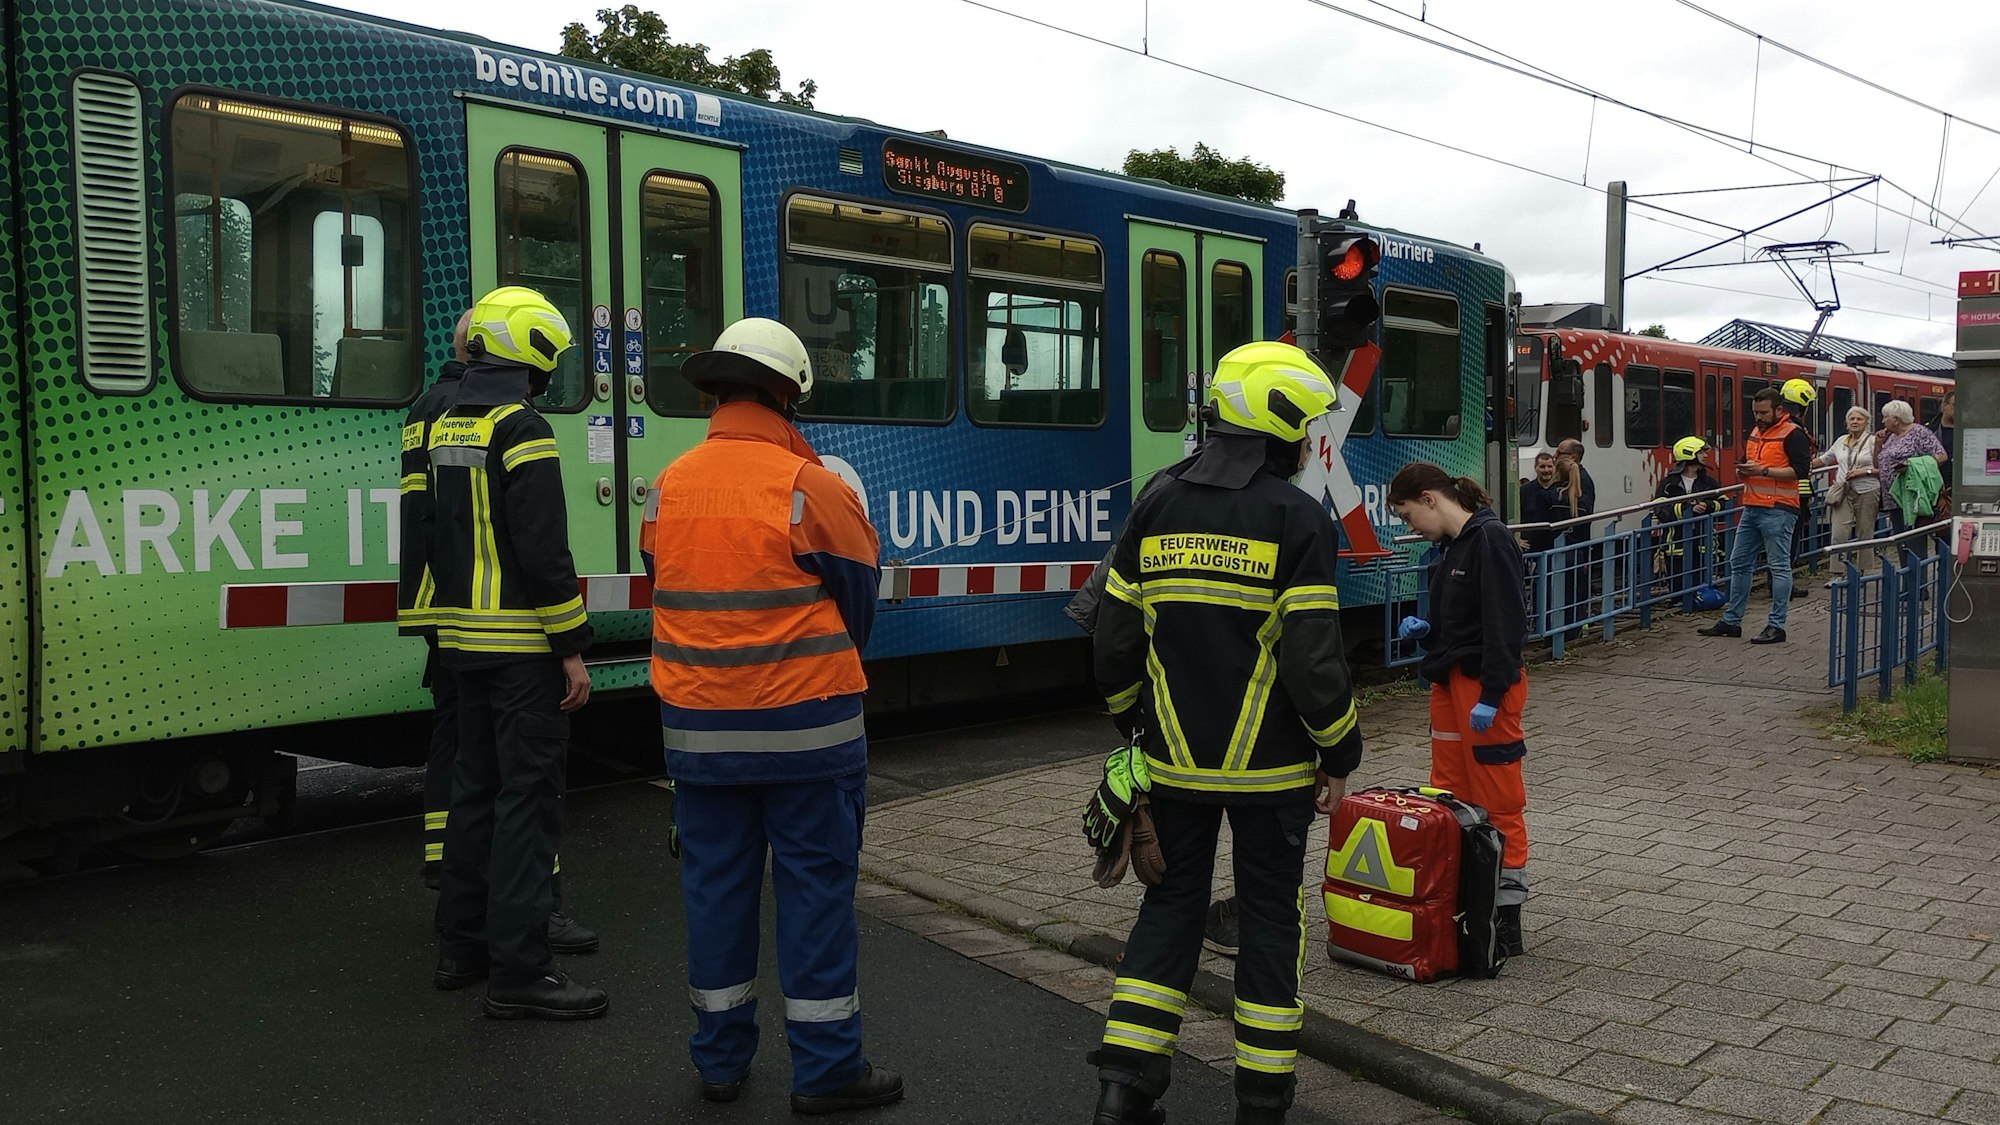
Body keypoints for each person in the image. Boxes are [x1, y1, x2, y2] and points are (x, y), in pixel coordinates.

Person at [1088, 341, 1364, 1125]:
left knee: (1168, 915)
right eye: (1308, 423)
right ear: (1279, 421)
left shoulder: (1157, 500)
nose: (1313, 439)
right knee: (1272, 923)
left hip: (1171, 768)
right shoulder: (1298, 519)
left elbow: (1112, 641)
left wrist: (1135, 724)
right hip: (1273, 777)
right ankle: (1261, 1102)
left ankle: (1123, 1093)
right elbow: (1315, 663)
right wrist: (1340, 750)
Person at [641, 317, 902, 1114]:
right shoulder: (811, 486)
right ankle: (826, 1072)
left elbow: (666, 575)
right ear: (789, 395)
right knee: (816, 898)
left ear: (716, 391)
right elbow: (860, 601)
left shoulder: (669, 484)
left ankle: (720, 1061)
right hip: (808, 736)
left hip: (699, 736)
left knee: (714, 896)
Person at [427, 286, 603, 1019]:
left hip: (464, 643)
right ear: (529, 352)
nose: (552, 371)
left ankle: (462, 948)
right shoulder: (522, 426)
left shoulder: (449, 423)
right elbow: (541, 550)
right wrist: (571, 647)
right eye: (551, 356)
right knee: (526, 806)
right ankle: (522, 971)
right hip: (522, 650)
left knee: (472, 794)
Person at [1388, 463, 1531, 956]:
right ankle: (1469, 900)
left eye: (1408, 516)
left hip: (1483, 687)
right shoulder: (1452, 548)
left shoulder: (1490, 540)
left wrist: (1493, 695)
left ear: (1430, 499)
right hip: (1452, 683)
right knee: (1452, 796)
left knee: (1499, 800)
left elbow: (1505, 623)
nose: (1410, 528)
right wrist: (1429, 632)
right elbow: (1466, 617)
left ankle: (1506, 916)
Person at [1698, 388, 1810, 645]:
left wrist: (1764, 470)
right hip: (1753, 506)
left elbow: (1802, 471)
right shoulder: (1757, 432)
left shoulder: (1793, 433)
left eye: (1763, 412)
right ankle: (1732, 620)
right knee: (1738, 561)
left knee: (1779, 565)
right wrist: (1743, 471)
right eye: (1755, 413)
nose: (1758, 417)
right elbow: (1746, 461)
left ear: (1779, 410)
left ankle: (1776, 626)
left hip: (1780, 508)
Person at [1817, 406, 1882, 577]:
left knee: (1864, 532)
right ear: (1847, 422)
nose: (1855, 422)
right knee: (1838, 533)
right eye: (1851, 419)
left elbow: (1884, 468)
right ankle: (1838, 574)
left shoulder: (1874, 442)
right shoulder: (1841, 441)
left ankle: (1862, 572)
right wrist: (1800, 465)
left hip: (1868, 490)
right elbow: (1825, 460)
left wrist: (1865, 471)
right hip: (1843, 491)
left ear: (1866, 422)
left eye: (1859, 419)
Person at [1654, 437, 1721, 596]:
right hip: (1676, 542)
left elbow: (1723, 503)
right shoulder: (1669, 483)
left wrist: (1708, 506)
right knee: (1677, 583)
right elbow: (1660, 509)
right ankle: (1680, 601)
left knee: (1701, 579)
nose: (1706, 455)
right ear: (1689, 454)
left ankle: (1697, 601)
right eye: (1702, 452)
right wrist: (1686, 510)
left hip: (1703, 539)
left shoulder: (1709, 482)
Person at [1877, 399, 1949, 538]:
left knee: (1912, 541)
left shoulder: (1919, 432)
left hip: (1911, 495)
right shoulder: (1892, 437)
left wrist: (1911, 465)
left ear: (1896, 419)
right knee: (1899, 539)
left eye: (1886, 417)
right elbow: (1879, 463)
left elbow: (1941, 456)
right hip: (1893, 499)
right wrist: (1878, 445)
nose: (1883, 421)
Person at [1548, 439, 1595, 640]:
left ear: (1572, 457)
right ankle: (1572, 629)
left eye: (1559, 452)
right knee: (1572, 590)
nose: (1554, 455)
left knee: (1566, 590)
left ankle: (1562, 633)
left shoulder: (1575, 485)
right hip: (1576, 547)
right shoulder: (1579, 484)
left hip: (1569, 546)